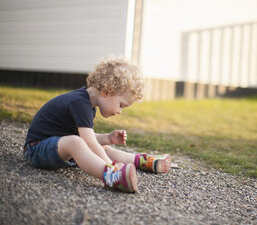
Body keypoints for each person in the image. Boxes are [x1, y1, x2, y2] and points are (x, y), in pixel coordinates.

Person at [23, 55, 171, 193]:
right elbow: (86, 141)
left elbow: (86, 137)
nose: (120, 111)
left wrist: (107, 138)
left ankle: (143, 161)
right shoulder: (80, 103)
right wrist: (110, 163)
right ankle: (112, 175)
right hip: (36, 149)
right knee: (77, 143)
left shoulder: (87, 104)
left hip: (55, 146)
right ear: (107, 91)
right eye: (121, 105)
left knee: (101, 147)